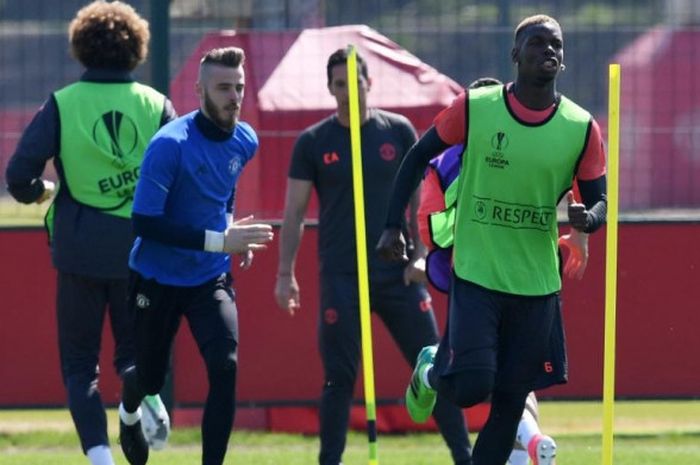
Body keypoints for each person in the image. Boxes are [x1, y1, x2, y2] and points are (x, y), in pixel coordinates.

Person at [377, 14, 607, 465]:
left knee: (509, 404)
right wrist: (392, 225)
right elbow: (419, 155)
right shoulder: (477, 107)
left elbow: (600, 202)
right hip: (478, 274)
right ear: (515, 54)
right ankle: (430, 368)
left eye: (556, 45)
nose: (549, 52)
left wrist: (588, 219)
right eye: (537, 43)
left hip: (537, 283)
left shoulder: (581, 127)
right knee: (471, 387)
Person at [274, 48, 473, 465]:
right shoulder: (314, 142)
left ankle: (464, 456)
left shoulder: (397, 131)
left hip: (398, 273)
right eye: (339, 84)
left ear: (369, 82)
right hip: (342, 276)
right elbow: (293, 213)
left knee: (433, 367)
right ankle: (330, 460)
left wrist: (422, 255)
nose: (348, 91)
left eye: (355, 81)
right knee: (339, 376)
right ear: (330, 88)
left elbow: (423, 195)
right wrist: (284, 273)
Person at [5, 2, 176, 464]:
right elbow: (178, 180)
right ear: (137, 47)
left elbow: (18, 177)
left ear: (82, 47)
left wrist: (45, 190)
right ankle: (145, 397)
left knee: (80, 364)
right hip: (140, 252)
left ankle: (99, 458)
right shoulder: (156, 103)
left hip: (79, 251)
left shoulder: (62, 103)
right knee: (132, 355)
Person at [418, 76, 590, 465]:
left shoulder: (539, 140)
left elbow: (574, 178)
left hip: (526, 277)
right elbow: (429, 216)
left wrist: (580, 232)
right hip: (474, 277)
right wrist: (441, 252)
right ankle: (434, 370)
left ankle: (527, 448)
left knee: (514, 382)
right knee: (478, 380)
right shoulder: (450, 160)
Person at [116, 47, 274, 465]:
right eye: (224, 88)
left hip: (209, 279)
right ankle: (130, 413)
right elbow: (145, 223)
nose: (234, 97)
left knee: (225, 366)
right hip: (156, 278)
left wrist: (230, 229)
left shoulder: (246, 139)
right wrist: (221, 241)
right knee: (149, 378)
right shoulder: (170, 145)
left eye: (239, 87)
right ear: (199, 89)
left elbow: (225, 190)